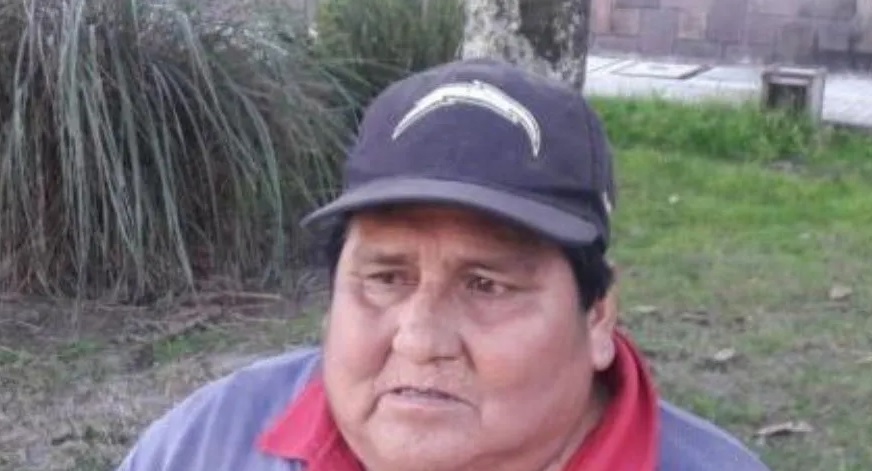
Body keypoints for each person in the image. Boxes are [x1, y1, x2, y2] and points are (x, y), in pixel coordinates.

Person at [116, 58, 771, 471]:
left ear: (597, 316)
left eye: (485, 284)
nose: (420, 338)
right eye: (386, 278)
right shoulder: (204, 445)